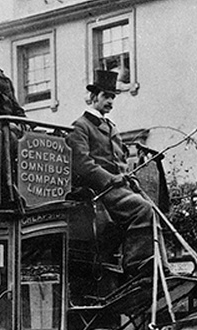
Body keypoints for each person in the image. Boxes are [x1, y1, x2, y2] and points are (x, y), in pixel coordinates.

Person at [66, 69, 158, 278]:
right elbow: (83, 164)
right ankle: (137, 268)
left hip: (120, 186)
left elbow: (121, 161)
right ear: (93, 97)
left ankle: (158, 267)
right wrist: (112, 179)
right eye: (106, 96)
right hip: (100, 190)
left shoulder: (111, 127)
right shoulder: (80, 127)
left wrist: (129, 178)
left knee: (154, 210)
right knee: (142, 210)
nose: (110, 102)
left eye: (113, 97)